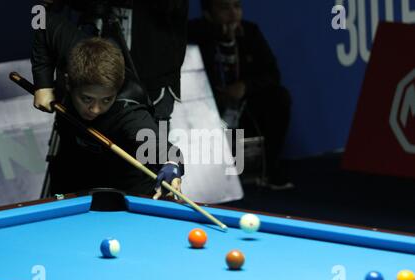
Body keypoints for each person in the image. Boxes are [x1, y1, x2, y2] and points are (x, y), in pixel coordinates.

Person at [31, 11, 184, 198]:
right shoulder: (76, 52)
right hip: (75, 167)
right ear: (69, 82)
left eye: (106, 100)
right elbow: (42, 19)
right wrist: (43, 82)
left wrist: (171, 166)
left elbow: (162, 148)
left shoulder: (129, 110)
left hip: (127, 183)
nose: (95, 109)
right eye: (87, 99)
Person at [35, 0, 189, 132]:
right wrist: (43, 83)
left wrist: (165, 160)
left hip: (156, 77)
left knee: (154, 153)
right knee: (78, 141)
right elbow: (43, 20)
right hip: (96, 62)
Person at [188, 0, 294, 190]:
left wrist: (245, 86)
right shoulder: (194, 33)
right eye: (224, 8)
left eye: (237, 6)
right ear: (208, 14)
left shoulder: (250, 32)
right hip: (205, 103)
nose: (233, 13)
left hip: (242, 105)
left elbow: (272, 74)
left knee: (279, 97)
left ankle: (268, 169)